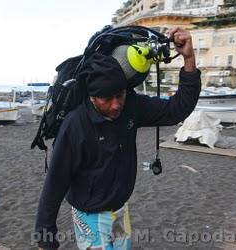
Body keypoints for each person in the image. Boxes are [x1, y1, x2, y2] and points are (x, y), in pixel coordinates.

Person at [35, 27, 201, 250]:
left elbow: (177, 109)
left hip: (120, 210)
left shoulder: (131, 106)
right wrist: (45, 237)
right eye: (106, 98)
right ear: (92, 97)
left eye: (119, 95)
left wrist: (189, 58)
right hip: (89, 217)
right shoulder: (75, 126)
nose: (116, 105)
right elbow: (55, 181)